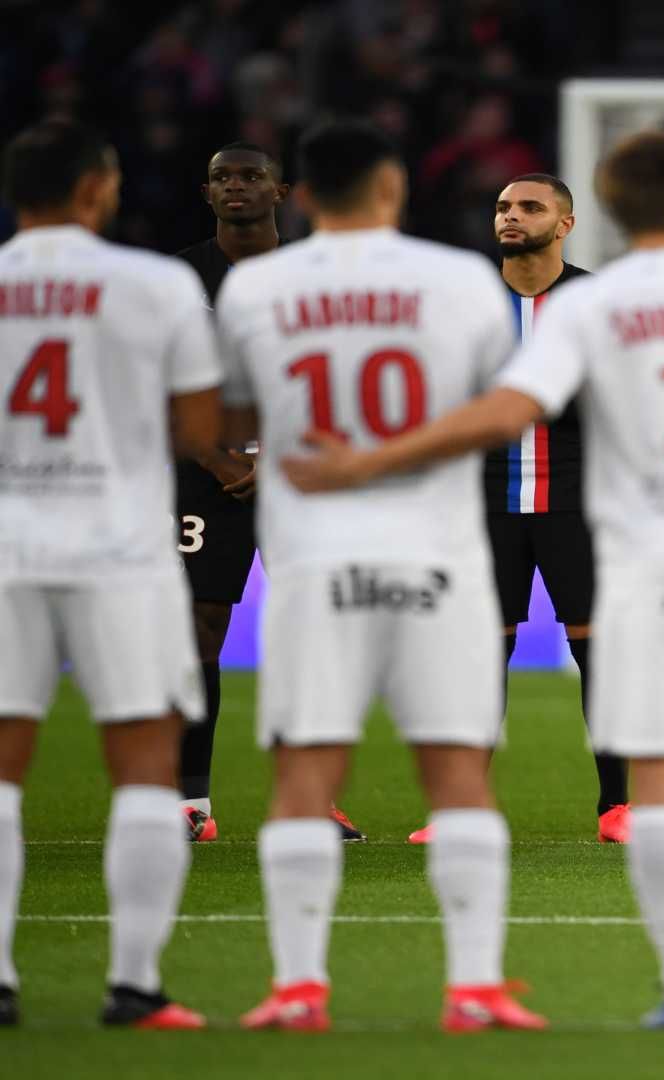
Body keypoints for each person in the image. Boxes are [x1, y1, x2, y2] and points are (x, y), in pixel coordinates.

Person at [281, 130, 664, 1030]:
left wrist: (372, 460)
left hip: (648, 565)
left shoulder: (595, 309)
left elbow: (508, 411)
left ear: (603, 209)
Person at [219, 121, 543, 1032]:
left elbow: (230, 410)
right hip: (438, 557)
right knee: (457, 776)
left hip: (314, 557)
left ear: (306, 196)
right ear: (394, 187)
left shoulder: (254, 286)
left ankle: (296, 989)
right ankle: (475, 988)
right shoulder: (459, 283)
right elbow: (500, 412)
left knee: (304, 774)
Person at [0, 120, 220, 1029]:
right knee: (142, 768)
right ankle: (134, 984)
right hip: (122, 548)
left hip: (7, 542)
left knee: (4, 771)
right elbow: (199, 429)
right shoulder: (156, 283)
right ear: (97, 187)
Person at [406, 172, 629, 846]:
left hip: (577, 503)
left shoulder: (597, 302)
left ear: (564, 224)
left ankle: (619, 807)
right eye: (503, 206)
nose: (511, 217)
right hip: (484, 505)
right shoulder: (464, 303)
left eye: (530, 207)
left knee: (602, 655)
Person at [172, 141, 363, 844]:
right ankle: (190, 803)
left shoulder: (320, 277)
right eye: (222, 177)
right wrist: (222, 462)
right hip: (200, 474)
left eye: (251, 176)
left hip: (302, 476)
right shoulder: (176, 277)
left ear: (281, 192)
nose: (237, 187)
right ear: (208, 192)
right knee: (196, 632)